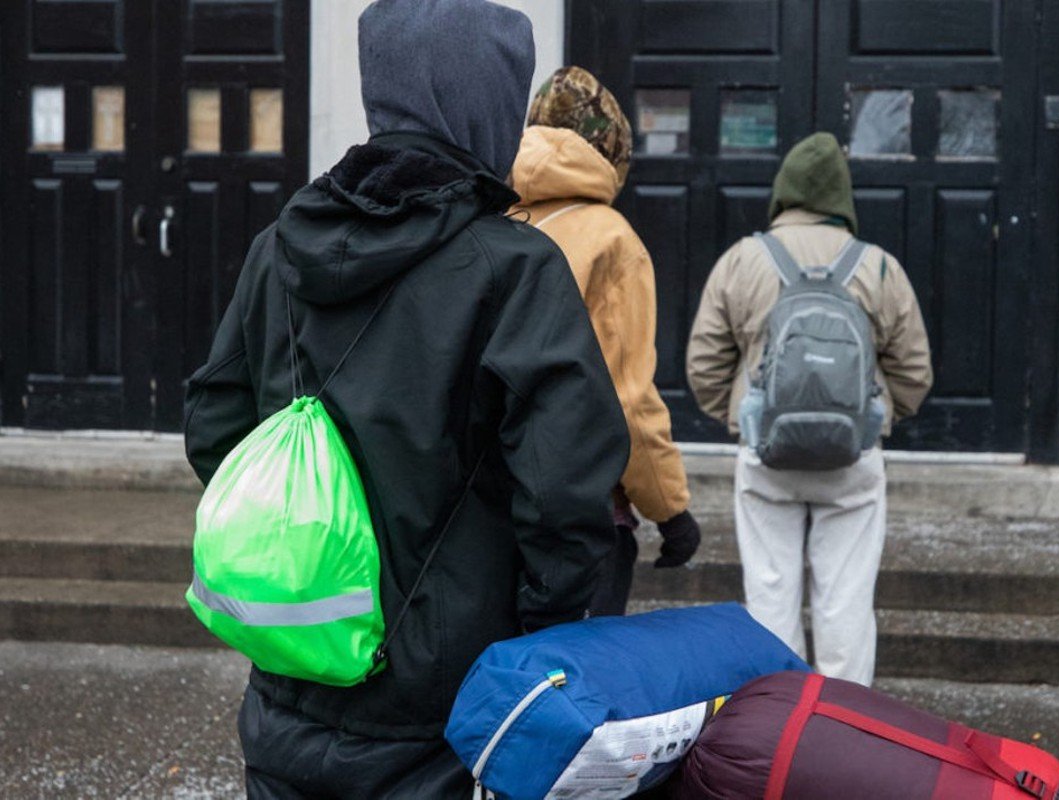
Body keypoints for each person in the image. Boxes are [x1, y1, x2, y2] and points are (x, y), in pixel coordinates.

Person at [183, 2, 629, 797]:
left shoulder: (279, 245)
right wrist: (536, 643)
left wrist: (308, 553)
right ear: (486, 102)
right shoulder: (514, 270)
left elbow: (215, 426)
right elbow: (565, 497)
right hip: (444, 708)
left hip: (292, 669)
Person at [686, 132, 932, 685]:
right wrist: (877, 419)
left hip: (766, 456)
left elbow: (704, 365)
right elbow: (915, 373)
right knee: (845, 600)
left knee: (770, 594)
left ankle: (778, 721)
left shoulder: (741, 261)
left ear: (783, 194)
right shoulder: (878, 267)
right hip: (851, 458)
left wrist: (741, 419)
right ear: (842, 199)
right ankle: (842, 730)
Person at [509, 66, 701, 616]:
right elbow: (625, 398)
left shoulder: (489, 216)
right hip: (581, 510)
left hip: (487, 505)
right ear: (610, 150)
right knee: (576, 682)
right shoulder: (610, 239)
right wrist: (669, 509)